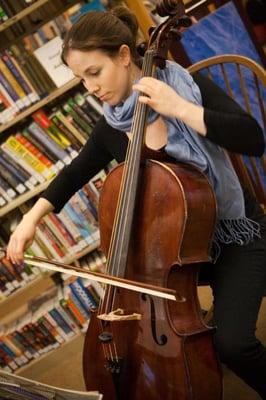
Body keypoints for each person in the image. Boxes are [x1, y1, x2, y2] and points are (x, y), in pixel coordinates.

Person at [6, 6, 266, 399]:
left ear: (125, 56)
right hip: (182, 257)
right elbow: (74, 173)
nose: (90, 88)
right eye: (81, 79)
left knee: (233, 345)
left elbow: (252, 138)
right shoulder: (114, 123)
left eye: (94, 73)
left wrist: (179, 109)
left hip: (238, 237)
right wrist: (29, 221)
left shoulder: (184, 88)